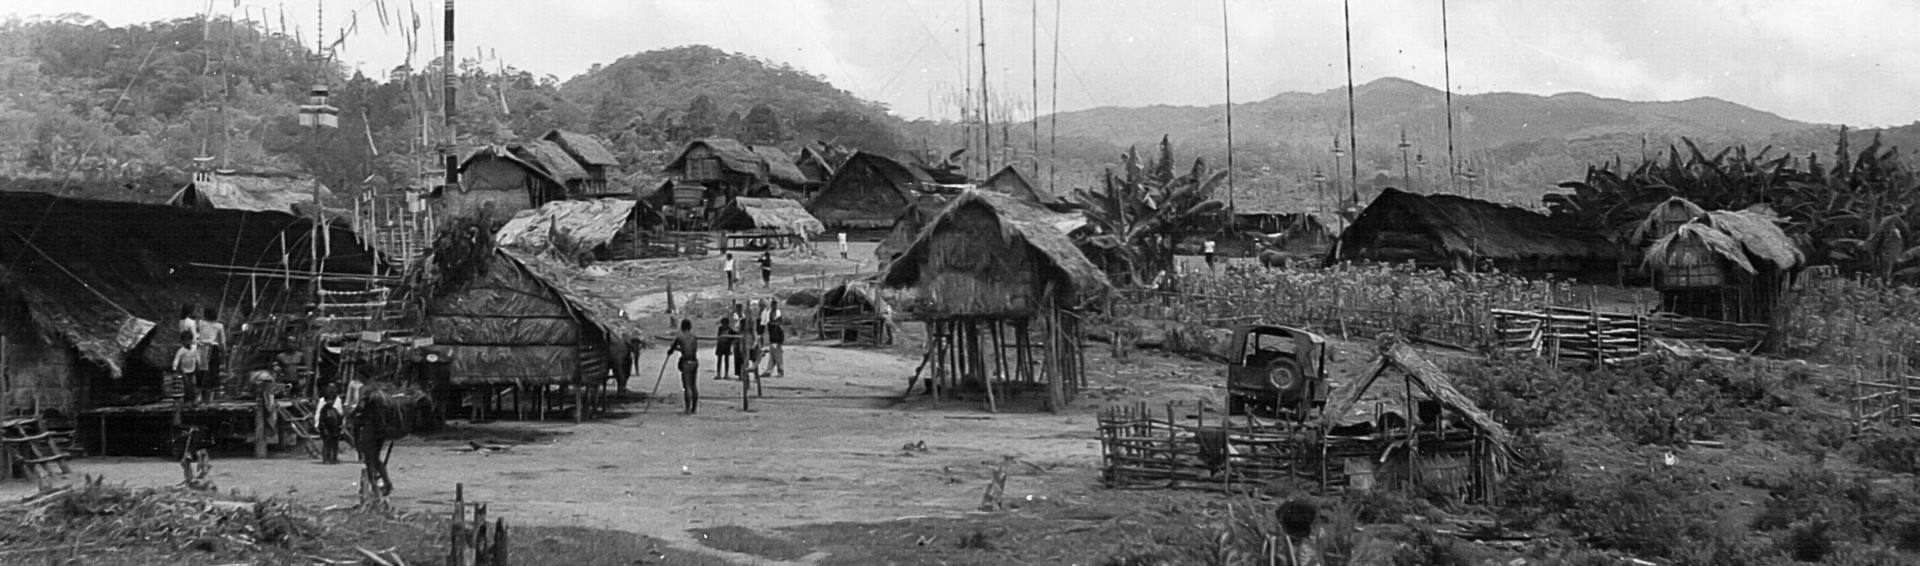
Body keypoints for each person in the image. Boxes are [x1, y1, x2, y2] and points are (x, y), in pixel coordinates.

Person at [666, 319, 701, 414]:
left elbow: (671, 350)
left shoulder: (679, 337)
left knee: (687, 386)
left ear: (682, 327)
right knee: (693, 385)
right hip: (694, 361)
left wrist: (671, 350)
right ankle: (694, 408)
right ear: (690, 327)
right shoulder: (694, 337)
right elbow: (692, 350)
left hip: (686, 362)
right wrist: (679, 349)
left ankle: (687, 408)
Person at [195, 307, 227, 393]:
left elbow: (196, 334)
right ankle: (210, 389)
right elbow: (222, 341)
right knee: (213, 371)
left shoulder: (200, 323)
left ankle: (201, 388)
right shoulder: (219, 326)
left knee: (202, 369)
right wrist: (224, 352)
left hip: (201, 347)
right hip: (213, 348)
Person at [171, 332, 205, 404]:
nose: (187, 342)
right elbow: (177, 359)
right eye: (185, 340)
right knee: (186, 385)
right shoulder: (181, 351)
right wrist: (174, 368)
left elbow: (197, 357)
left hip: (193, 370)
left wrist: (199, 365)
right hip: (184, 371)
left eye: (189, 340)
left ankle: (193, 400)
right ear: (182, 341)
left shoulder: (194, 349)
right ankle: (187, 401)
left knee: (193, 385)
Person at [315, 384, 345, 464]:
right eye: (329, 400)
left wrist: (340, 425)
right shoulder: (324, 409)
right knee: (326, 444)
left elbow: (339, 418)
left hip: (334, 430)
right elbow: (322, 420)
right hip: (326, 429)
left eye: (331, 400)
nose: (330, 402)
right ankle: (326, 458)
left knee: (334, 444)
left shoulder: (334, 410)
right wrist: (323, 429)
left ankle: (333, 458)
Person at [765, 301, 787, 377]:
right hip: (773, 340)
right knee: (773, 356)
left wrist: (780, 342)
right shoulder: (770, 315)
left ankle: (780, 371)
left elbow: (781, 331)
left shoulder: (777, 316)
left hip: (777, 340)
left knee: (778, 356)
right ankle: (769, 371)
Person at [714, 315, 736, 380]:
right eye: (722, 324)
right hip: (720, 346)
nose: (723, 325)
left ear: (727, 324)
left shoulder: (730, 330)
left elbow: (735, 335)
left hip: (727, 347)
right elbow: (718, 335)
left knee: (726, 360)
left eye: (725, 324)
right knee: (719, 360)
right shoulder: (720, 328)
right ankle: (718, 374)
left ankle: (726, 374)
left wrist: (731, 342)